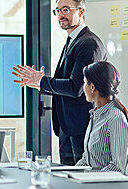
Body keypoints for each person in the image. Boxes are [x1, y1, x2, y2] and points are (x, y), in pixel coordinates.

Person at [12, 0, 107, 165]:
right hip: (68, 127)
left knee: (82, 182)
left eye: (66, 9)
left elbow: (75, 87)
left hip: (83, 129)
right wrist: (40, 83)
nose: (61, 15)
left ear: (81, 11)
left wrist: (43, 81)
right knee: (68, 181)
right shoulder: (73, 40)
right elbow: (67, 82)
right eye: (58, 11)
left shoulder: (88, 44)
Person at [75, 61, 128, 174]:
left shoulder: (116, 119)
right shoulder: (95, 116)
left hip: (104, 187)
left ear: (92, 87)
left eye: (84, 83)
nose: (83, 88)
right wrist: (69, 175)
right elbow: (86, 160)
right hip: (89, 184)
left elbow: (117, 168)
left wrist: (89, 178)